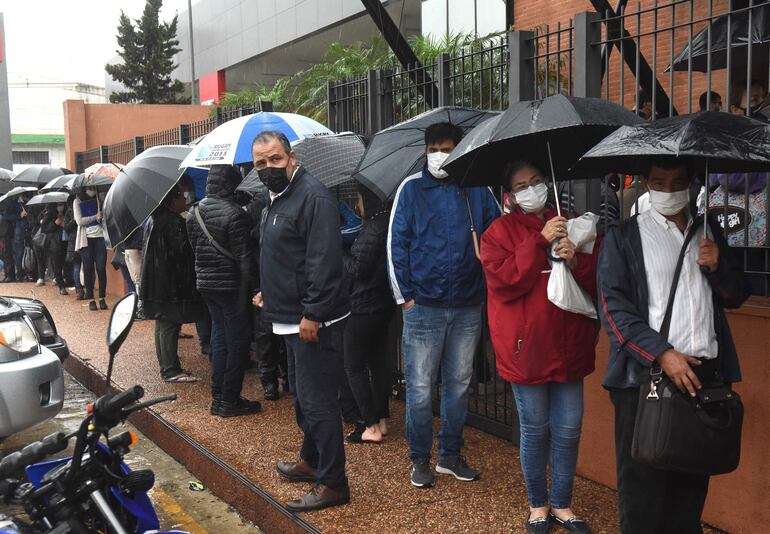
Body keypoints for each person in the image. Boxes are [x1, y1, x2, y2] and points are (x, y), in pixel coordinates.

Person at [597, 158, 750, 534]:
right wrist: (662, 354)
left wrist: (719, 268)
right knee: (643, 495)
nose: (668, 190)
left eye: (677, 181)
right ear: (646, 183)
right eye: (659, 182)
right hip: (646, 379)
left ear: (692, 183)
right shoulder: (624, 236)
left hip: (705, 376)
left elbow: (736, 296)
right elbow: (613, 310)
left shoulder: (707, 230)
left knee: (690, 490)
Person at [481, 161, 597, 533]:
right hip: (525, 350)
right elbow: (505, 280)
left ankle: (563, 504)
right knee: (535, 429)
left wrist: (575, 258)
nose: (532, 189)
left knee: (568, 429)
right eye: (522, 185)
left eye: (537, 181)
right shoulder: (498, 233)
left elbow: (598, 279)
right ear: (511, 196)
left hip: (569, 345)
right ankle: (538, 505)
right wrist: (539, 240)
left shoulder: (571, 222)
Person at [387, 122, 500, 488]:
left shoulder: (477, 188)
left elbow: (498, 236)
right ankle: (420, 458)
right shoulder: (411, 189)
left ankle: (450, 456)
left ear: (458, 149)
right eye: (434, 147)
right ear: (425, 150)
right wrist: (406, 298)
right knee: (420, 388)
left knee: (458, 384)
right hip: (423, 307)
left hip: (467, 304)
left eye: (447, 147)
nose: (440, 154)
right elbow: (395, 246)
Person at [253, 130, 350, 512]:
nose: (268, 168)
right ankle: (311, 461)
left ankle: (333, 483)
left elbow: (323, 262)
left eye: (275, 159)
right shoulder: (275, 198)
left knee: (319, 403)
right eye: (260, 163)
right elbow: (283, 256)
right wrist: (269, 293)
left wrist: (313, 312)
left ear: (291, 158)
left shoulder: (313, 197)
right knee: (302, 399)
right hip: (286, 315)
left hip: (312, 321)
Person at [187, 165, 262, 418]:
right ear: (231, 184)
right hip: (231, 287)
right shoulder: (235, 214)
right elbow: (244, 259)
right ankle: (230, 400)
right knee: (238, 343)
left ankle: (218, 397)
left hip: (205, 284)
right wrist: (256, 288)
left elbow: (195, 250)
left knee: (219, 338)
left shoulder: (193, 212)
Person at [342, 184, 396, 444]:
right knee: (378, 362)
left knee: (354, 365)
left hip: (363, 306)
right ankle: (382, 418)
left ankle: (370, 424)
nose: (356, 205)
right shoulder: (389, 222)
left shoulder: (373, 227)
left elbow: (356, 269)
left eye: (359, 199)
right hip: (384, 304)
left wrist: (340, 253)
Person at [142, 184, 205, 383]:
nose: (185, 201)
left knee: (163, 324)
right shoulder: (173, 222)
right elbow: (183, 254)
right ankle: (170, 369)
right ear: (172, 200)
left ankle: (167, 365)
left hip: (155, 282)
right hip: (169, 283)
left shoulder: (153, 220)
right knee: (169, 324)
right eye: (182, 197)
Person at [74, 187, 108, 311]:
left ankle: (102, 298)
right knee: (88, 269)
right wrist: (95, 216)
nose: (91, 189)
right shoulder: (77, 201)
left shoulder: (100, 199)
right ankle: (91, 299)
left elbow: (107, 215)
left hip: (100, 237)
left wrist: (102, 216)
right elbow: (79, 221)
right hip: (86, 239)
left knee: (101, 268)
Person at [39, 203, 67, 294]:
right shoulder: (50, 213)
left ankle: (64, 281)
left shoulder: (67, 211)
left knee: (64, 263)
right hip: (54, 243)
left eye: (61, 204)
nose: (60, 206)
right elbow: (44, 228)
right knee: (57, 265)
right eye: (58, 204)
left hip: (65, 240)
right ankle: (61, 286)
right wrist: (55, 223)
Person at [63, 200, 84, 300]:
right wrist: (74, 220)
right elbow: (66, 227)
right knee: (76, 266)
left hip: (85, 239)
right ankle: (79, 289)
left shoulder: (84, 206)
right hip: (74, 241)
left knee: (88, 267)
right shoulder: (69, 212)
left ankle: (87, 288)